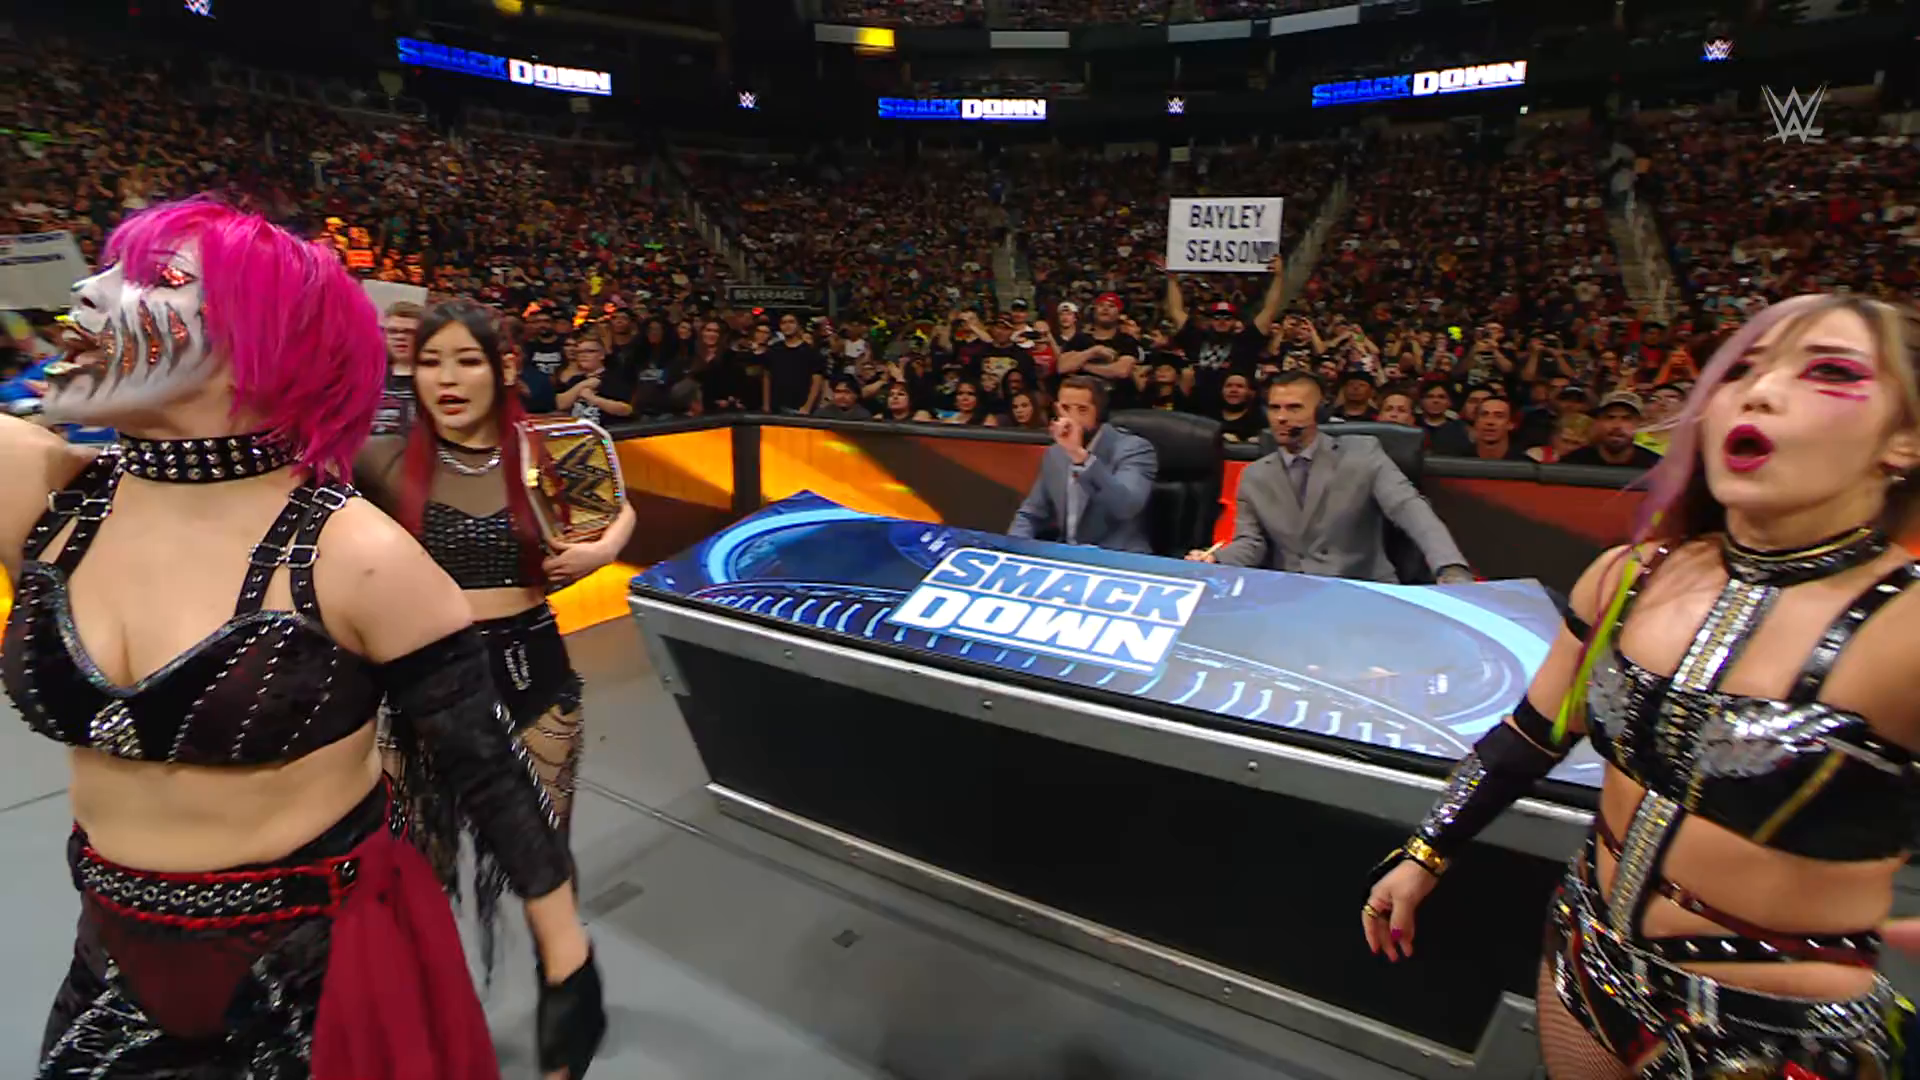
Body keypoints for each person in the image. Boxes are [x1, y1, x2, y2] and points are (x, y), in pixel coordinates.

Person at [1, 200, 603, 1076]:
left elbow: (482, 764)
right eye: (110, 266)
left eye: (162, 278)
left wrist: (565, 960)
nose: (89, 291)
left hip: (319, 978)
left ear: (264, 345)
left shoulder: (357, 554)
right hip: (108, 970)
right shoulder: (41, 491)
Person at [1362, 294, 1920, 1079]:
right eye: (1743, 370)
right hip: (1589, 964)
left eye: (1828, 371)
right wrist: (1426, 852)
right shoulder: (1629, 577)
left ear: (1904, 439)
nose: (1759, 392)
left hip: (1780, 1035)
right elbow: (1528, 736)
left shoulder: (1904, 628)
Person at [358, 301, 637, 910]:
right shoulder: (380, 458)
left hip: (533, 671)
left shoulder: (549, 447)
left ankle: (560, 962)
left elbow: (620, 509)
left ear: (504, 368)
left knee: (545, 863)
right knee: (414, 869)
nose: (448, 379)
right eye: (431, 361)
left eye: (466, 361)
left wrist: (602, 550)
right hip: (421, 680)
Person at [1189, 371, 1472, 583]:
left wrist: (1450, 567)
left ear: (1319, 412)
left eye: (1294, 408)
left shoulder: (1362, 454)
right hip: (1289, 597)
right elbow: (1251, 543)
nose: (1281, 418)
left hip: (1359, 593)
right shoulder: (1255, 475)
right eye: (1275, 408)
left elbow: (1410, 509)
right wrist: (1216, 559)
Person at [1009, 374, 1157, 553]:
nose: (1072, 418)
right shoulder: (1055, 453)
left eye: (1082, 410)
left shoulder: (1133, 449)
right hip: (1068, 554)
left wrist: (1080, 457)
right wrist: (1014, 548)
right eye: (1065, 408)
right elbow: (1031, 514)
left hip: (1118, 556)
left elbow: (1125, 507)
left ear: (1099, 413)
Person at [1562, 390, 1664, 468]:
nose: (1617, 425)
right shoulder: (1573, 463)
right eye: (1610, 417)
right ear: (1598, 422)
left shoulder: (1656, 466)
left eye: (1626, 419)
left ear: (1640, 424)